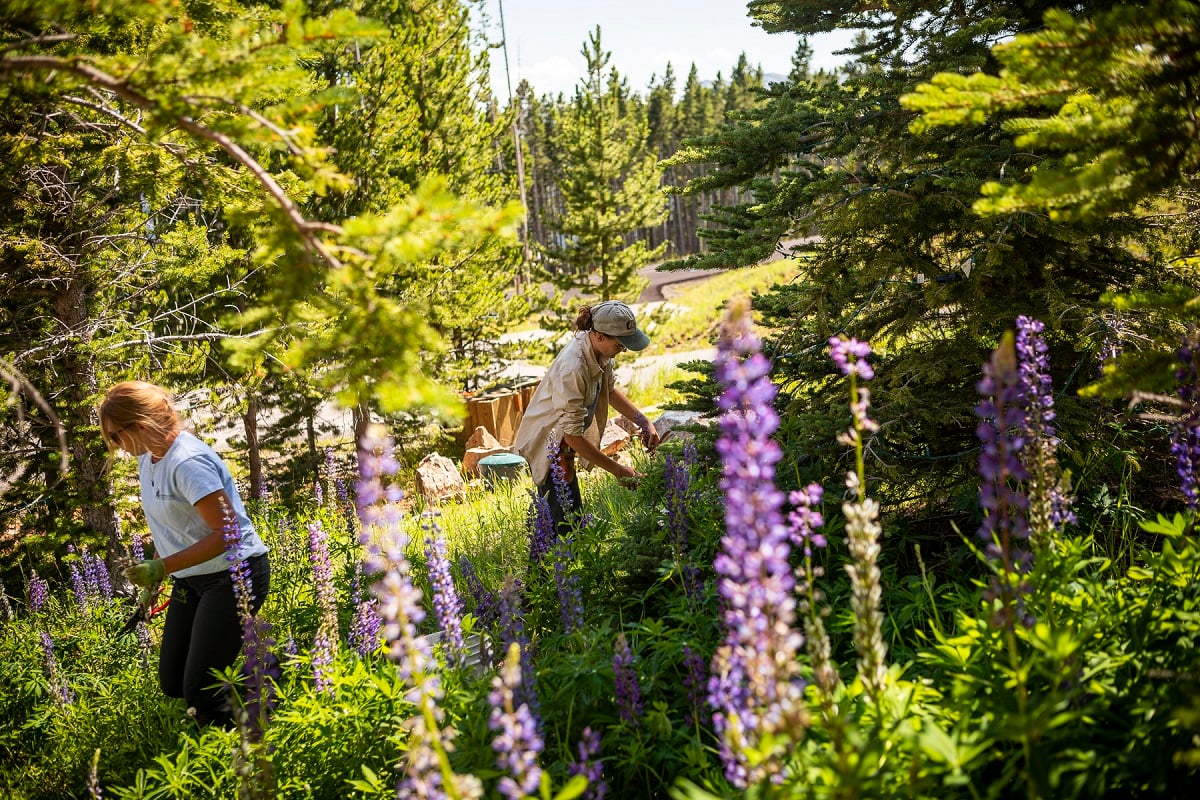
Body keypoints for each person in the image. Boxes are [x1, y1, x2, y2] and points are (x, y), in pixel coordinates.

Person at [100, 380, 269, 727]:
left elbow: (229, 533)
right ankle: (248, 691)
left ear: (141, 426)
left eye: (116, 435)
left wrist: (161, 566)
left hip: (234, 574)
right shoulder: (149, 458)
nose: (114, 445)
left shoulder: (187, 463)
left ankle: (246, 731)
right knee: (173, 680)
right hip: (192, 578)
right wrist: (157, 578)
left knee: (200, 691)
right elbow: (174, 529)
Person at [514, 301, 660, 535]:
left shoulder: (602, 352)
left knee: (570, 518)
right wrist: (618, 470)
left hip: (567, 442)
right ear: (600, 336)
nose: (623, 350)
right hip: (549, 444)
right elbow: (571, 436)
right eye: (620, 344)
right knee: (563, 525)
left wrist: (644, 421)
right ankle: (548, 571)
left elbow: (609, 391)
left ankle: (552, 567)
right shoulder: (573, 368)